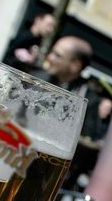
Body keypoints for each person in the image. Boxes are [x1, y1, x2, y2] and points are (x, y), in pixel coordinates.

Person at [32, 36, 103, 192]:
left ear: (75, 66)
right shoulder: (36, 80)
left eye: (57, 55)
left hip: (50, 177)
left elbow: (90, 142)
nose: (49, 57)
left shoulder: (88, 100)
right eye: (52, 52)